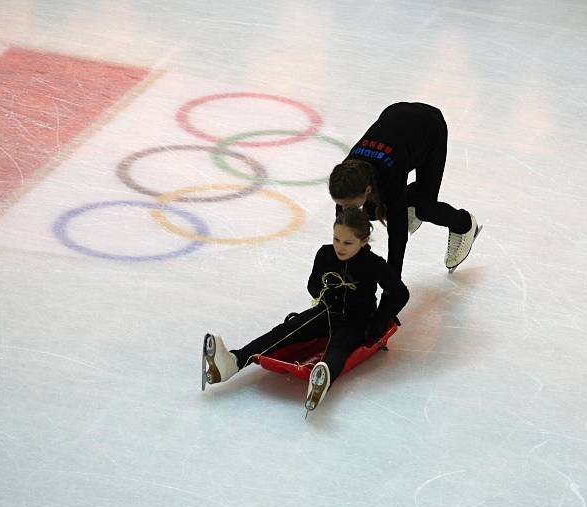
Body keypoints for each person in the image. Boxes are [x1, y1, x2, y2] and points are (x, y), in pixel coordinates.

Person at [202, 208, 409, 413]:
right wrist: (325, 292)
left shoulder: (373, 264)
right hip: (327, 311)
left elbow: (400, 293)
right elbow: (313, 284)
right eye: (336, 239)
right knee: (287, 330)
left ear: (364, 241)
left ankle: (321, 380)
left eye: (347, 243)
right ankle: (233, 361)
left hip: (357, 320)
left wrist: (378, 322)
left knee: (340, 345)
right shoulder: (326, 254)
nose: (340, 247)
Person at [328, 102, 480, 276]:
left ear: (368, 189)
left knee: (424, 208)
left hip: (429, 129)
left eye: (349, 204)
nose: (345, 207)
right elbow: (345, 219)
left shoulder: (389, 175)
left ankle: (464, 224)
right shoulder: (348, 172)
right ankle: (411, 200)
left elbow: (398, 234)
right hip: (396, 115)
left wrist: (392, 284)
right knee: (369, 211)